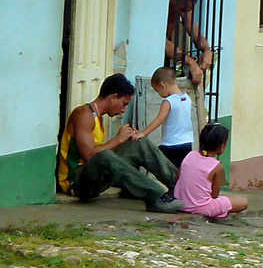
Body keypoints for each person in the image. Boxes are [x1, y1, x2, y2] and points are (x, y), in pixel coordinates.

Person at [58, 73, 182, 213]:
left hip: (95, 177)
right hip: (77, 183)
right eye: (123, 104)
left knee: (138, 143)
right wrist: (118, 139)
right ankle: (156, 196)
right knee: (105, 156)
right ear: (113, 97)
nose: (123, 110)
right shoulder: (83, 114)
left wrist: (127, 139)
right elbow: (90, 157)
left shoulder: (98, 116)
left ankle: (181, 186)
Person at [175, 123, 248, 219]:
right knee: (243, 202)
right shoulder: (217, 166)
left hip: (180, 203)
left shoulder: (190, 155)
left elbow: (177, 179)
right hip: (201, 207)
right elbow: (214, 195)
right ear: (222, 146)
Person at [136, 66, 195, 170]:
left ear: (162, 85)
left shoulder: (168, 101)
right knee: (180, 172)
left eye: (157, 90)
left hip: (171, 145)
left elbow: (159, 120)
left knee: (167, 172)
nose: (159, 94)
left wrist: (143, 133)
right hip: (187, 143)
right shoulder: (187, 98)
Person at [165, 0, 212, 85]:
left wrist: (207, 51)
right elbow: (161, 42)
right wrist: (189, 61)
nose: (184, 13)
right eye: (182, 9)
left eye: (188, 10)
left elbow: (196, 36)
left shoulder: (184, 11)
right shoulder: (161, 9)